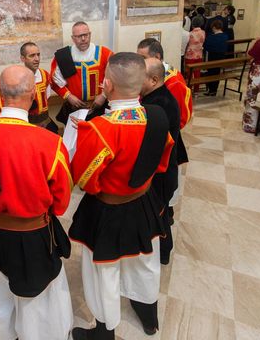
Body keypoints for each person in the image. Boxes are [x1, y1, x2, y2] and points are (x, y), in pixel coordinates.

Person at [0, 65, 73, 339]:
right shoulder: (49, 142)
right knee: (36, 299)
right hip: (31, 234)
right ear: (33, 94)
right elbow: (61, 199)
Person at [69, 53, 174, 339]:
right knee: (145, 261)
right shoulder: (157, 116)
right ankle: (149, 319)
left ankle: (104, 331)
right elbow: (163, 161)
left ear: (106, 84)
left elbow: (84, 180)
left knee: (104, 271)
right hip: (144, 202)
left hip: (109, 210)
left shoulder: (101, 129)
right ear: (142, 83)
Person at [136, 38, 191, 217]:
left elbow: (179, 116)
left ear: (157, 57)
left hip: (167, 145)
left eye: (142, 57)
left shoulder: (173, 82)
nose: (139, 62)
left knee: (163, 201)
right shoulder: (155, 77)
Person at [141, 57, 180, 265]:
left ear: (154, 79)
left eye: (141, 76)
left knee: (159, 215)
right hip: (163, 172)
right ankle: (163, 251)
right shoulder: (156, 97)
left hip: (162, 174)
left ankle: (163, 253)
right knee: (160, 215)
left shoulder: (159, 106)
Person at [50, 21, 113, 125]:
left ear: (90, 34)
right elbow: (55, 81)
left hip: (99, 107)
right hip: (74, 108)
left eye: (85, 35)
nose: (83, 39)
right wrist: (68, 96)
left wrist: (104, 95)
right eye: (79, 36)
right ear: (73, 38)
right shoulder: (63, 56)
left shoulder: (106, 54)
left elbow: (116, 77)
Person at [20, 41, 58, 131]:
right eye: (32, 56)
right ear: (23, 58)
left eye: (38, 55)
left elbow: (47, 96)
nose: (37, 59)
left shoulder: (45, 74)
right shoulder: (17, 78)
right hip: (27, 125)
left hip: (46, 121)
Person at [202, 20, 229, 96]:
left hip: (212, 57)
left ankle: (210, 90)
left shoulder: (211, 37)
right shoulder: (225, 36)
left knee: (211, 73)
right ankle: (214, 90)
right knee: (217, 73)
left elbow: (205, 46)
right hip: (221, 57)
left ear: (214, 27)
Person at [184, 17, 206, 93]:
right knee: (197, 73)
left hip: (190, 55)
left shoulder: (190, 34)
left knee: (189, 74)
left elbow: (187, 44)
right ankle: (196, 91)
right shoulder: (203, 32)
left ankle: (189, 90)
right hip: (199, 54)